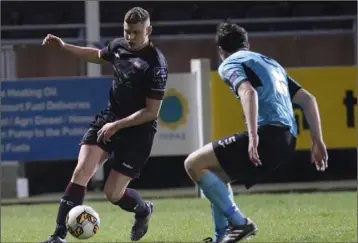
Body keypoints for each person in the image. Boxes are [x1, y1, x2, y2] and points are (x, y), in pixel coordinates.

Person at [184, 21, 328, 243]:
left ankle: (240, 223)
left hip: (267, 134)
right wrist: (317, 140)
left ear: (221, 51)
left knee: (193, 164)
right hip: (288, 139)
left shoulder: (229, 63)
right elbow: (308, 100)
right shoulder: (271, 63)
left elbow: (247, 92)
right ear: (247, 44)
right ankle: (221, 237)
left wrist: (253, 136)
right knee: (216, 174)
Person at [40, 7, 168, 243]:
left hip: (138, 130)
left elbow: (152, 112)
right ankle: (58, 235)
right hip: (110, 118)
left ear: (148, 30)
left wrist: (118, 125)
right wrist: (64, 46)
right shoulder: (119, 46)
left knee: (113, 193)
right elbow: (96, 55)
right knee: (81, 171)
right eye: (127, 31)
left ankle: (142, 210)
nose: (130, 37)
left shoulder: (156, 64)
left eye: (136, 32)